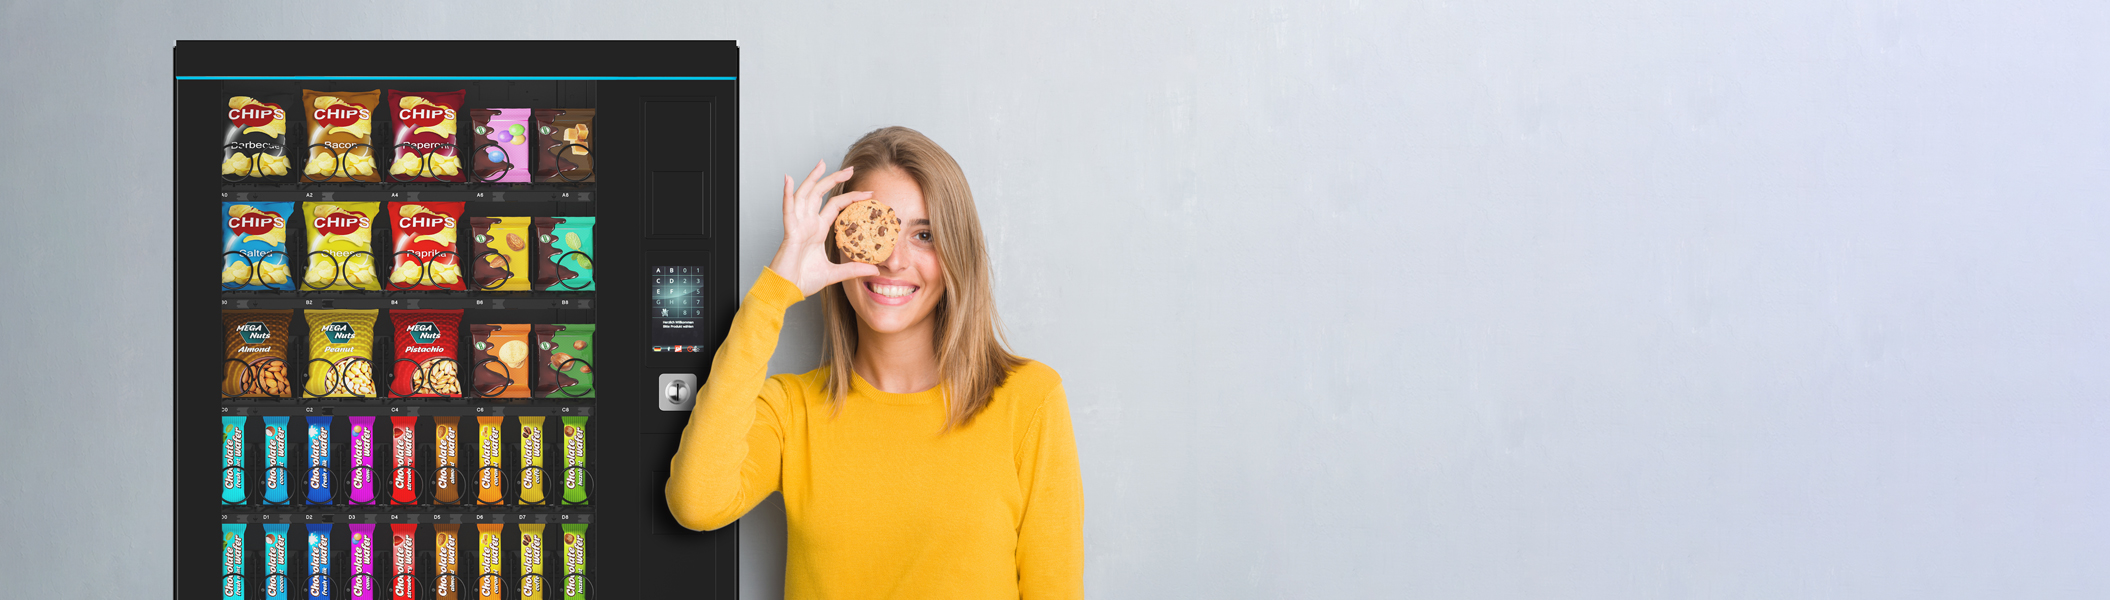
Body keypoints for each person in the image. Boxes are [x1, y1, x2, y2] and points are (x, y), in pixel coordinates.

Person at [666, 126, 1083, 598]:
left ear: (955, 255)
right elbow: (696, 503)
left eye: (924, 235)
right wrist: (774, 294)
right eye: (874, 227)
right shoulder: (791, 410)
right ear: (839, 241)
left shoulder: (1029, 400)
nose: (893, 261)